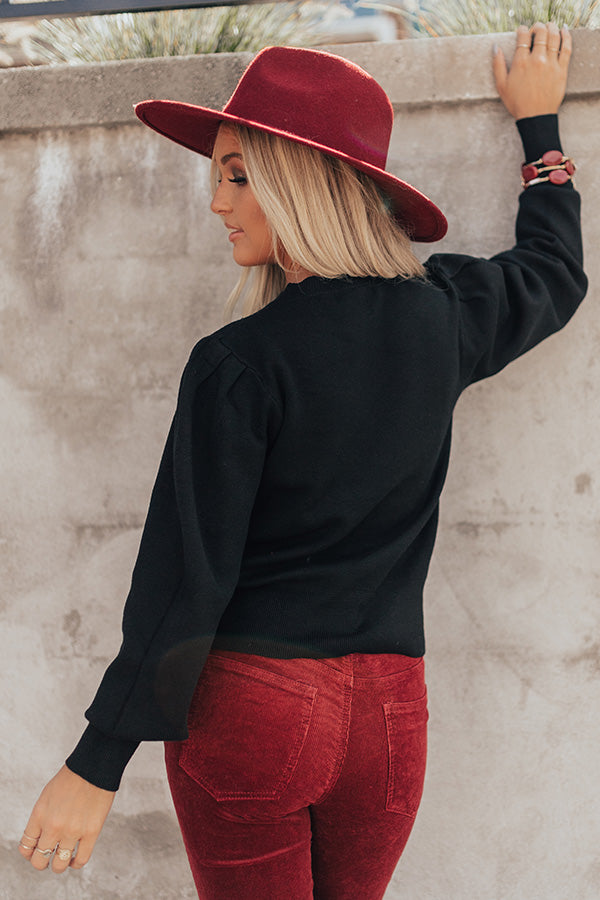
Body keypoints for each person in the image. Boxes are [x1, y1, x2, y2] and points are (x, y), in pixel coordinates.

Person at [18, 23, 586, 900]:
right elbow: (554, 271)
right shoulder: (447, 316)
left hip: (254, 708)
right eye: (218, 175)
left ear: (303, 181)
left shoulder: (239, 363)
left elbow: (185, 579)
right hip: (390, 715)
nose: (217, 202)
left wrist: (96, 763)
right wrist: (539, 126)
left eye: (238, 174)